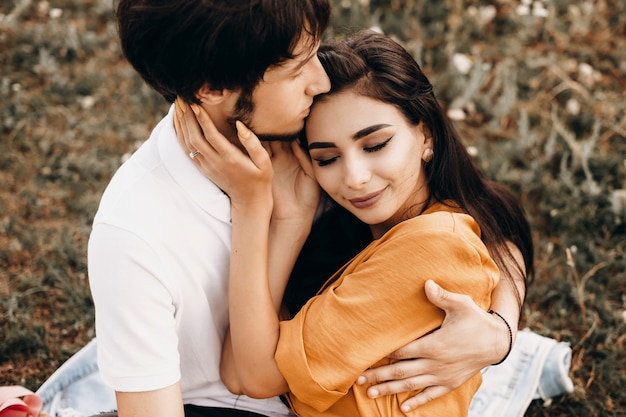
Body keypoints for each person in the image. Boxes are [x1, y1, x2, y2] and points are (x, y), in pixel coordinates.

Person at [86, 1, 528, 416]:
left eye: (316, 52)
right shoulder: (134, 233)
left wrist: (498, 334)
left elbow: (487, 224)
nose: (319, 81)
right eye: (298, 68)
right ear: (213, 88)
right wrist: (262, 211)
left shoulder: (314, 131)